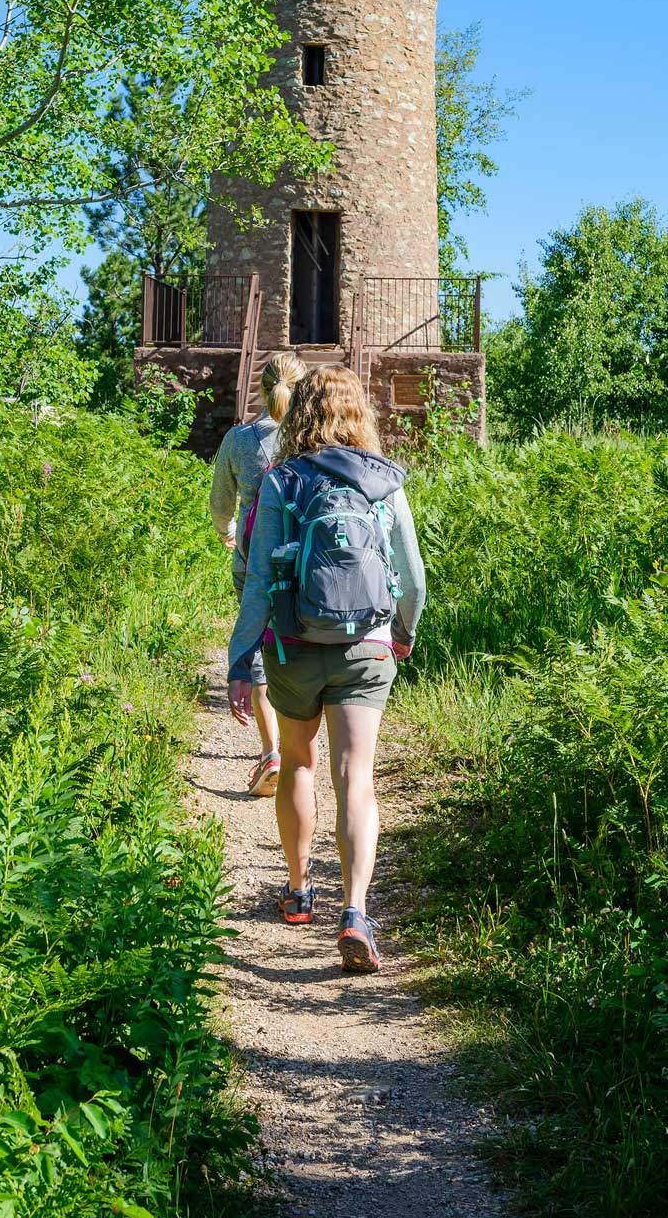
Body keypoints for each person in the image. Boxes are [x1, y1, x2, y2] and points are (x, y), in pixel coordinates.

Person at [227, 365, 426, 973]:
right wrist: (401, 634)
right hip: (366, 644)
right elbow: (413, 577)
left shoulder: (281, 482)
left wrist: (241, 657)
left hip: (292, 645)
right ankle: (357, 911)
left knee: (298, 760)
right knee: (355, 773)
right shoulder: (385, 483)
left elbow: (257, 580)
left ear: (300, 411)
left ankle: (297, 890)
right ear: (358, 413)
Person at [210, 353, 306, 797]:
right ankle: (300, 746)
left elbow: (220, 505)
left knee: (259, 656)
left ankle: (272, 751)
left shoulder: (239, 440)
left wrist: (228, 532)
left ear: (261, 389)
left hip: (252, 564)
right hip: (306, 568)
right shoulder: (312, 441)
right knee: (299, 653)